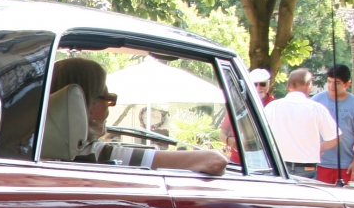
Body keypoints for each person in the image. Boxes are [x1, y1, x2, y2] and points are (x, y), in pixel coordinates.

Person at [53, 58, 228, 174]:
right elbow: (214, 161)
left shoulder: (34, 152)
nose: (109, 108)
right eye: (108, 99)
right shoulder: (100, 154)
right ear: (87, 105)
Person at [264, 68, 339, 178]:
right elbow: (335, 137)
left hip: (278, 165)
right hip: (307, 167)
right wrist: (320, 148)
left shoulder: (272, 107)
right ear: (308, 85)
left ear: (288, 86)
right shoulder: (317, 108)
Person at [314, 64, 354, 185]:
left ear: (347, 84)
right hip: (320, 163)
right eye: (329, 81)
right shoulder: (316, 100)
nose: (331, 86)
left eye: (337, 82)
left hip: (345, 165)